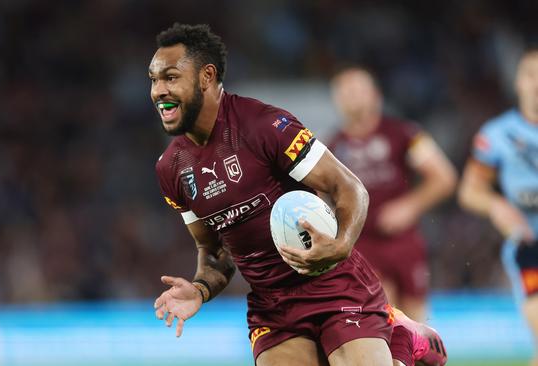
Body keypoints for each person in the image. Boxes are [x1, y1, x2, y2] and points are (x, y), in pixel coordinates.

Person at [150, 23, 447, 366]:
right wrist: (200, 289)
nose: (158, 90)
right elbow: (214, 252)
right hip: (272, 306)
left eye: (170, 77)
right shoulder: (170, 169)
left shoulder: (264, 125)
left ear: (206, 76)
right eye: (153, 80)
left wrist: (340, 246)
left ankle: (402, 344)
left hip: (334, 283)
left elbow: (349, 188)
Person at [327, 67, 457, 322]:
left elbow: (445, 177)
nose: (351, 96)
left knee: (416, 321)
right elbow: (321, 198)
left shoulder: (404, 133)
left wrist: (410, 206)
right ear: (337, 100)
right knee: (382, 316)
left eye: (358, 90)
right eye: (345, 91)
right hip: (362, 244)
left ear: (376, 95)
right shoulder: (331, 147)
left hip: (403, 241)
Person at [458, 49, 538, 366]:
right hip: (531, 248)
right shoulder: (498, 134)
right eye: (531, 74)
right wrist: (495, 206)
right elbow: (469, 190)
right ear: (518, 82)